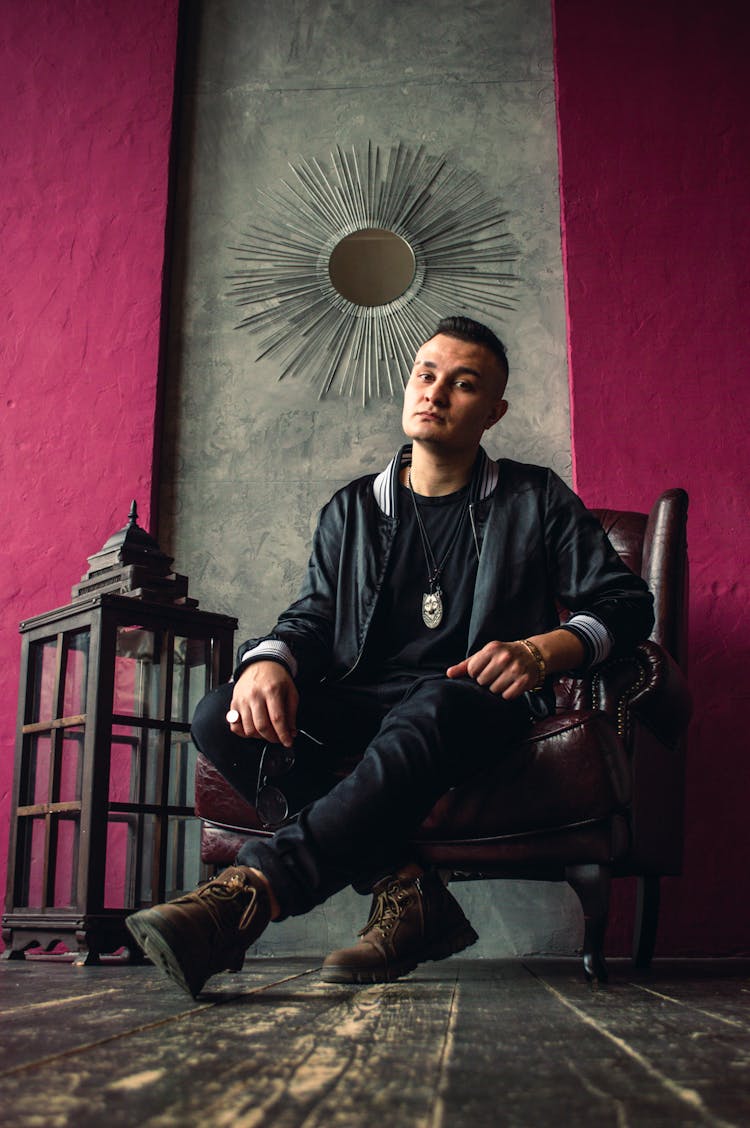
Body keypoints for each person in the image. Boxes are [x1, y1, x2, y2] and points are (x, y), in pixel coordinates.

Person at [126, 315, 654, 998]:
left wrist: (547, 648)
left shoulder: (535, 497)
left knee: (433, 702)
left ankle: (253, 894)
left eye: (463, 385)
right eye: (426, 375)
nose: (436, 392)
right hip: (367, 702)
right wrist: (269, 661)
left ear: (492, 412)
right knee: (217, 713)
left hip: (476, 705)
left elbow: (627, 605)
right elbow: (313, 616)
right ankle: (409, 893)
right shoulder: (350, 510)